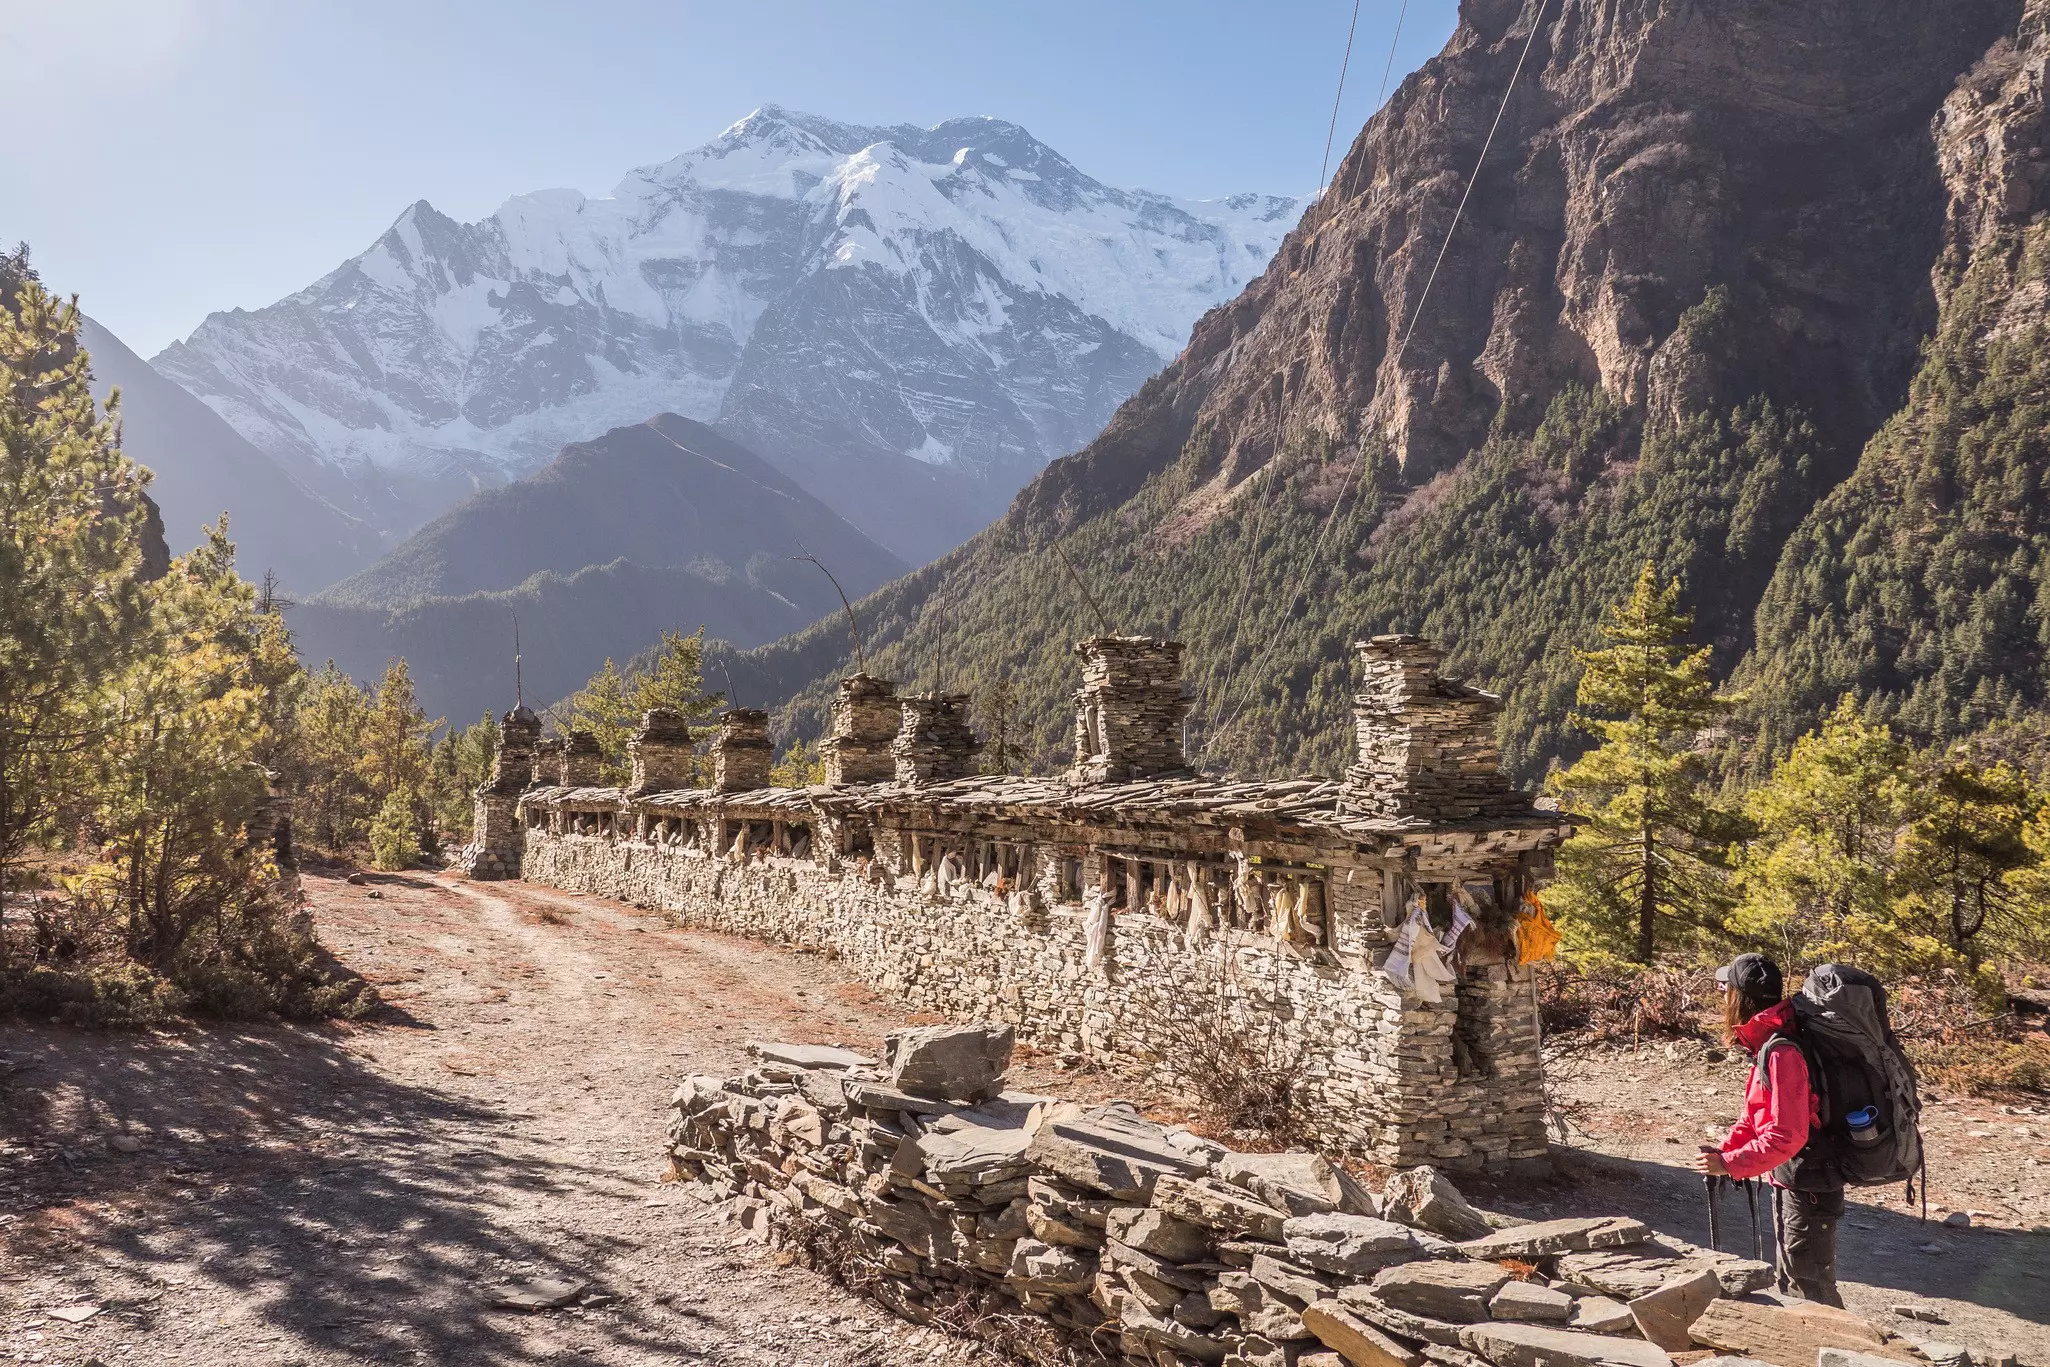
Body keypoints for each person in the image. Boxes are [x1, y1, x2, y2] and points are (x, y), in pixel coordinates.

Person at [1690, 952, 1845, 1307]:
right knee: (1794, 1277)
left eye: (1724, 987)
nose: (1721, 995)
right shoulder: (1771, 1041)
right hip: (1796, 1177)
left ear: (1738, 997)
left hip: (1810, 1181)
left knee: (1809, 1286)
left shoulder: (1781, 1051)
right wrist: (1725, 1151)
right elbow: (1756, 1116)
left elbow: (1786, 1135)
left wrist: (1732, 1164)